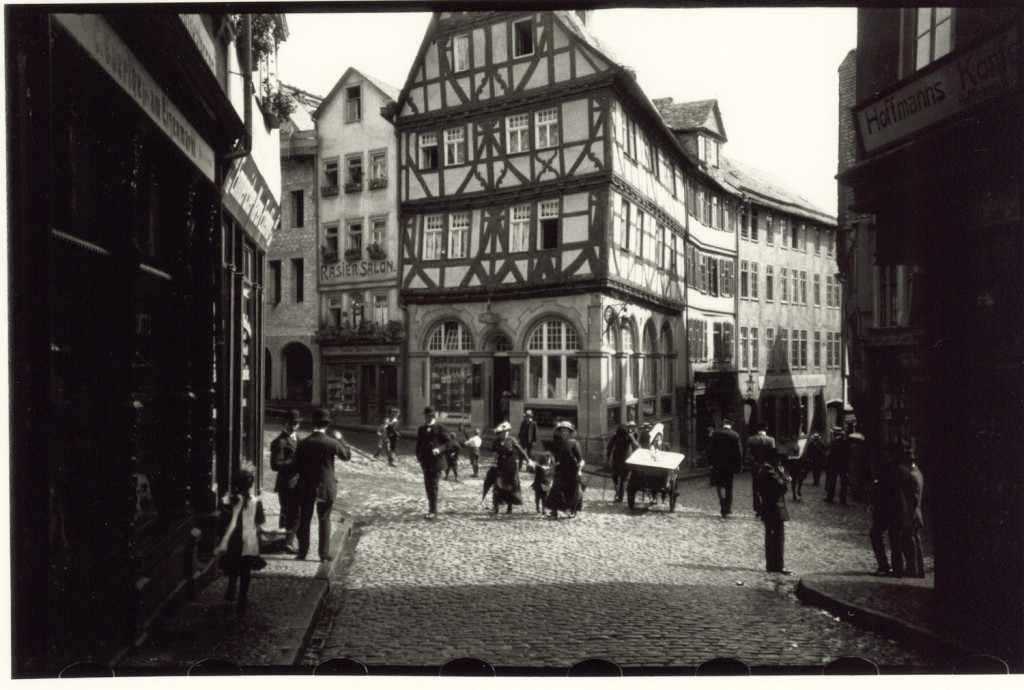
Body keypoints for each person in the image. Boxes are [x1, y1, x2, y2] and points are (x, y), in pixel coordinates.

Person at [294, 408, 351, 562]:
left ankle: (302, 552)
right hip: (326, 486)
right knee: (324, 519)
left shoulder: (304, 442)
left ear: (313, 423)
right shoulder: (331, 443)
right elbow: (346, 456)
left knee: (305, 519)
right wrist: (342, 440)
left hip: (307, 486)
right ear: (327, 425)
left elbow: (296, 465)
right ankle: (323, 555)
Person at [215, 465, 267, 616]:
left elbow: (223, 521)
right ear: (250, 486)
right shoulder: (256, 502)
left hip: (234, 540)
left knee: (233, 564)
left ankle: (231, 588)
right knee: (246, 570)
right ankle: (242, 599)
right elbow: (260, 521)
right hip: (249, 540)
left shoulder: (228, 501)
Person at [415, 406, 456, 520]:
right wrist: (418, 456)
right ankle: (431, 508)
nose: (427, 418)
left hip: (436, 461)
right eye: (425, 416)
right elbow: (418, 444)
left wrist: (439, 449)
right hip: (425, 462)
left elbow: (449, 443)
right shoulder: (421, 429)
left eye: (429, 416)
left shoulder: (440, 428)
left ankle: (433, 511)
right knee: (428, 485)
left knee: (433, 485)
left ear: (433, 416)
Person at [755, 449, 792, 575]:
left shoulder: (764, 470)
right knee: (777, 538)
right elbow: (781, 488)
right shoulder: (770, 473)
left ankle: (772, 565)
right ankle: (777, 566)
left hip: (769, 508)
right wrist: (784, 476)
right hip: (774, 509)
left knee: (771, 538)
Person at [270, 409, 301, 553]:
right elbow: (275, 465)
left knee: (294, 513)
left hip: (298, 483)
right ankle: (286, 542)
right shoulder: (279, 442)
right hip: (286, 483)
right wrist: (295, 462)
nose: (294, 426)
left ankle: (285, 540)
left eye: (297, 423)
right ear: (285, 423)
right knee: (289, 513)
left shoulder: (299, 439)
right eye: (292, 423)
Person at [869, 452, 904, 577]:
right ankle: (897, 568)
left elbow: (881, 493)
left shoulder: (887, 471)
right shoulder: (901, 470)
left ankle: (884, 566)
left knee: (876, 534)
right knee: (895, 538)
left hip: (886, 511)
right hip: (895, 511)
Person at [544, 421, 585, 519]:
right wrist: (551, 468)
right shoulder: (557, 444)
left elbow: (581, 460)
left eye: (566, 431)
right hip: (560, 470)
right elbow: (555, 459)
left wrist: (579, 470)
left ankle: (573, 511)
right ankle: (554, 511)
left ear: (570, 432)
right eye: (562, 431)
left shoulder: (574, 444)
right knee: (555, 489)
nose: (564, 433)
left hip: (572, 470)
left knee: (572, 491)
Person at [487, 421, 527, 514]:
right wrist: (493, 461)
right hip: (500, 465)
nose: (506, 433)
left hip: (511, 466)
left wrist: (528, 460)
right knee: (497, 485)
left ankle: (510, 507)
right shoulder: (495, 442)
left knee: (510, 486)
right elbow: (494, 454)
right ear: (499, 433)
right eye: (503, 432)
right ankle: (495, 506)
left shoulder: (511, 440)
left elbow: (520, 450)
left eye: (507, 431)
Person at [898, 442, 926, 578]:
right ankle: (919, 569)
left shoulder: (913, 475)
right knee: (916, 540)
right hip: (916, 511)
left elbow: (914, 498)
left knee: (911, 541)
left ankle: (913, 569)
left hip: (913, 512)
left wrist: (908, 515)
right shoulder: (918, 472)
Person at [708, 418, 743, 517]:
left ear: (723, 423)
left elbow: (710, 449)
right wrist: (739, 466)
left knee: (718, 484)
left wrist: (710, 462)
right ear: (732, 424)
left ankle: (721, 501)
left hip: (718, 464)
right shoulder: (735, 435)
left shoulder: (716, 434)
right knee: (729, 486)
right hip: (729, 466)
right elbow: (738, 453)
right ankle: (728, 507)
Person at [745, 423, 776, 516]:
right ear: (766, 429)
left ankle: (758, 509)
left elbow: (749, 453)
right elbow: (773, 454)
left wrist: (754, 463)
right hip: (767, 467)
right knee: (767, 487)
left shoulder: (751, 439)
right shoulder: (771, 440)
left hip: (756, 467)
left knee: (755, 487)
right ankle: (765, 507)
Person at [605, 424, 639, 503]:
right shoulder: (627, 436)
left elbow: (609, 447)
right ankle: (619, 494)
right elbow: (636, 446)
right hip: (622, 461)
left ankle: (619, 494)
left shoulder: (618, 436)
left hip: (621, 461)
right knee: (619, 479)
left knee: (618, 478)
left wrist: (607, 457)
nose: (621, 438)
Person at [825, 426, 850, 505]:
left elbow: (832, 455)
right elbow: (848, 453)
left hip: (834, 465)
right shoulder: (844, 442)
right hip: (842, 465)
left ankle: (830, 498)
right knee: (843, 482)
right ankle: (843, 499)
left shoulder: (835, 443)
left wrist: (828, 463)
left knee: (832, 481)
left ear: (835, 434)